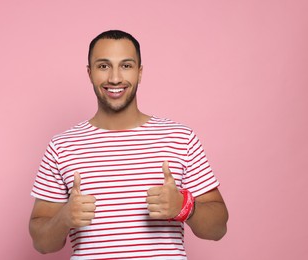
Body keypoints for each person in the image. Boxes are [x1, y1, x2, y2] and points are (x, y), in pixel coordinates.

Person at [29, 30, 228, 259]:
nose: (115, 78)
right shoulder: (61, 146)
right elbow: (41, 243)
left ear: (140, 72)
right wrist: (63, 218)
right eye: (103, 66)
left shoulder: (180, 138)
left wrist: (185, 206)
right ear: (89, 73)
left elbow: (218, 229)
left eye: (126, 66)